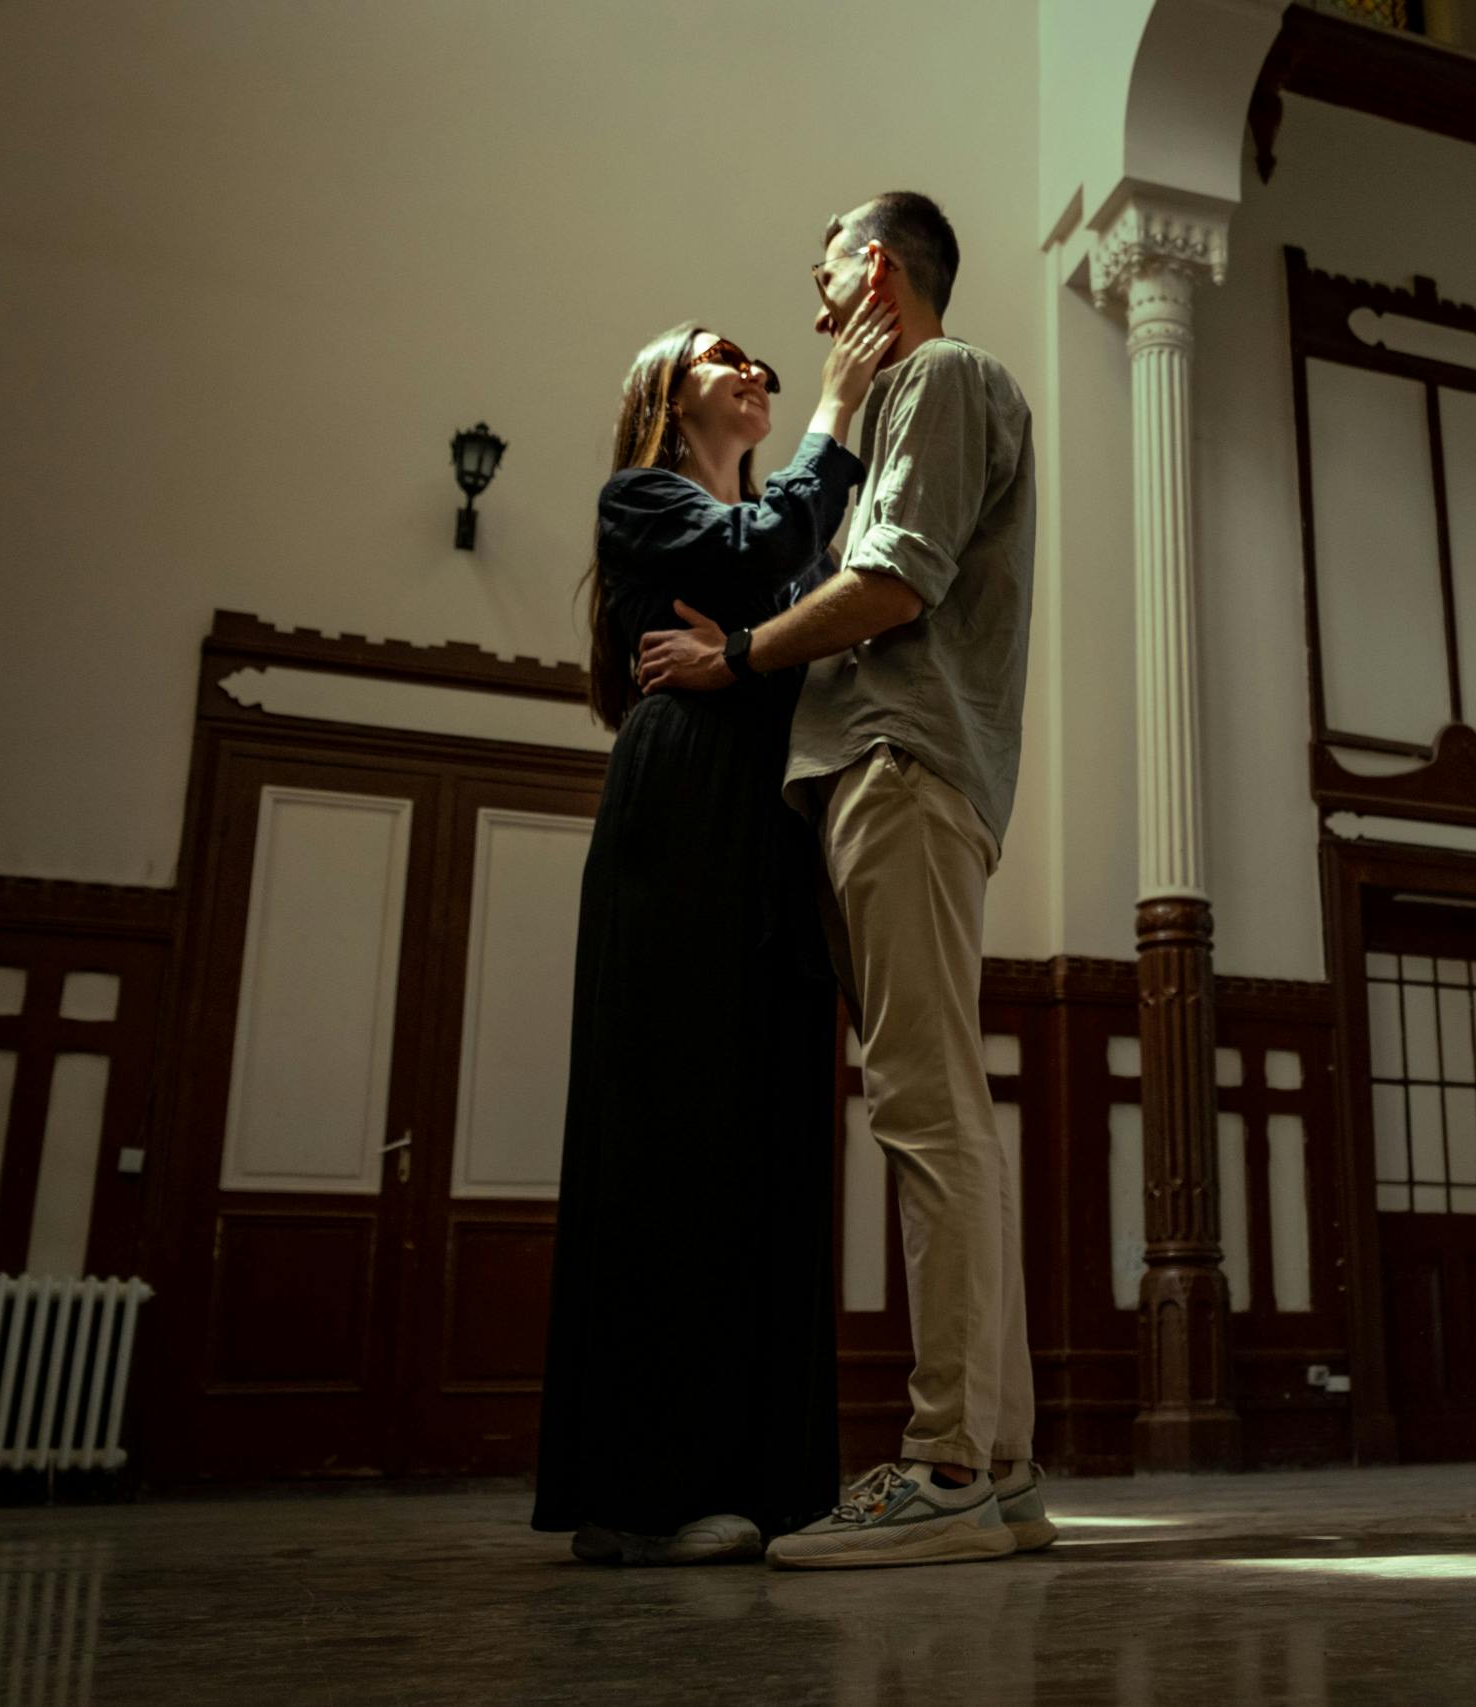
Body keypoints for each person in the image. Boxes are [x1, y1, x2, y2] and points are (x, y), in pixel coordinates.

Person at [637, 191, 1047, 1570]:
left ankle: (943, 1464)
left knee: (927, 1113)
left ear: (875, 268)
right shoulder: (921, 400)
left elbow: (890, 584)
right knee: (950, 1114)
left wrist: (737, 653)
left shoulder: (939, 375)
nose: (813, 304)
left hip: (902, 764)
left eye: (824, 273)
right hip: (904, 769)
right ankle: (1003, 1467)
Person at [533, 299, 898, 1567]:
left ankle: (765, 1483)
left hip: (770, 820)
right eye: (718, 358)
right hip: (685, 801)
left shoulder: (778, 541)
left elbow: (784, 605)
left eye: (759, 359)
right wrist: (838, 412)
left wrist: (746, 647)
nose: (750, 366)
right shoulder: (641, 500)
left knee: (767, 1130)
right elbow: (753, 553)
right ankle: (644, 1487)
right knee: (675, 1128)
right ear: (663, 396)